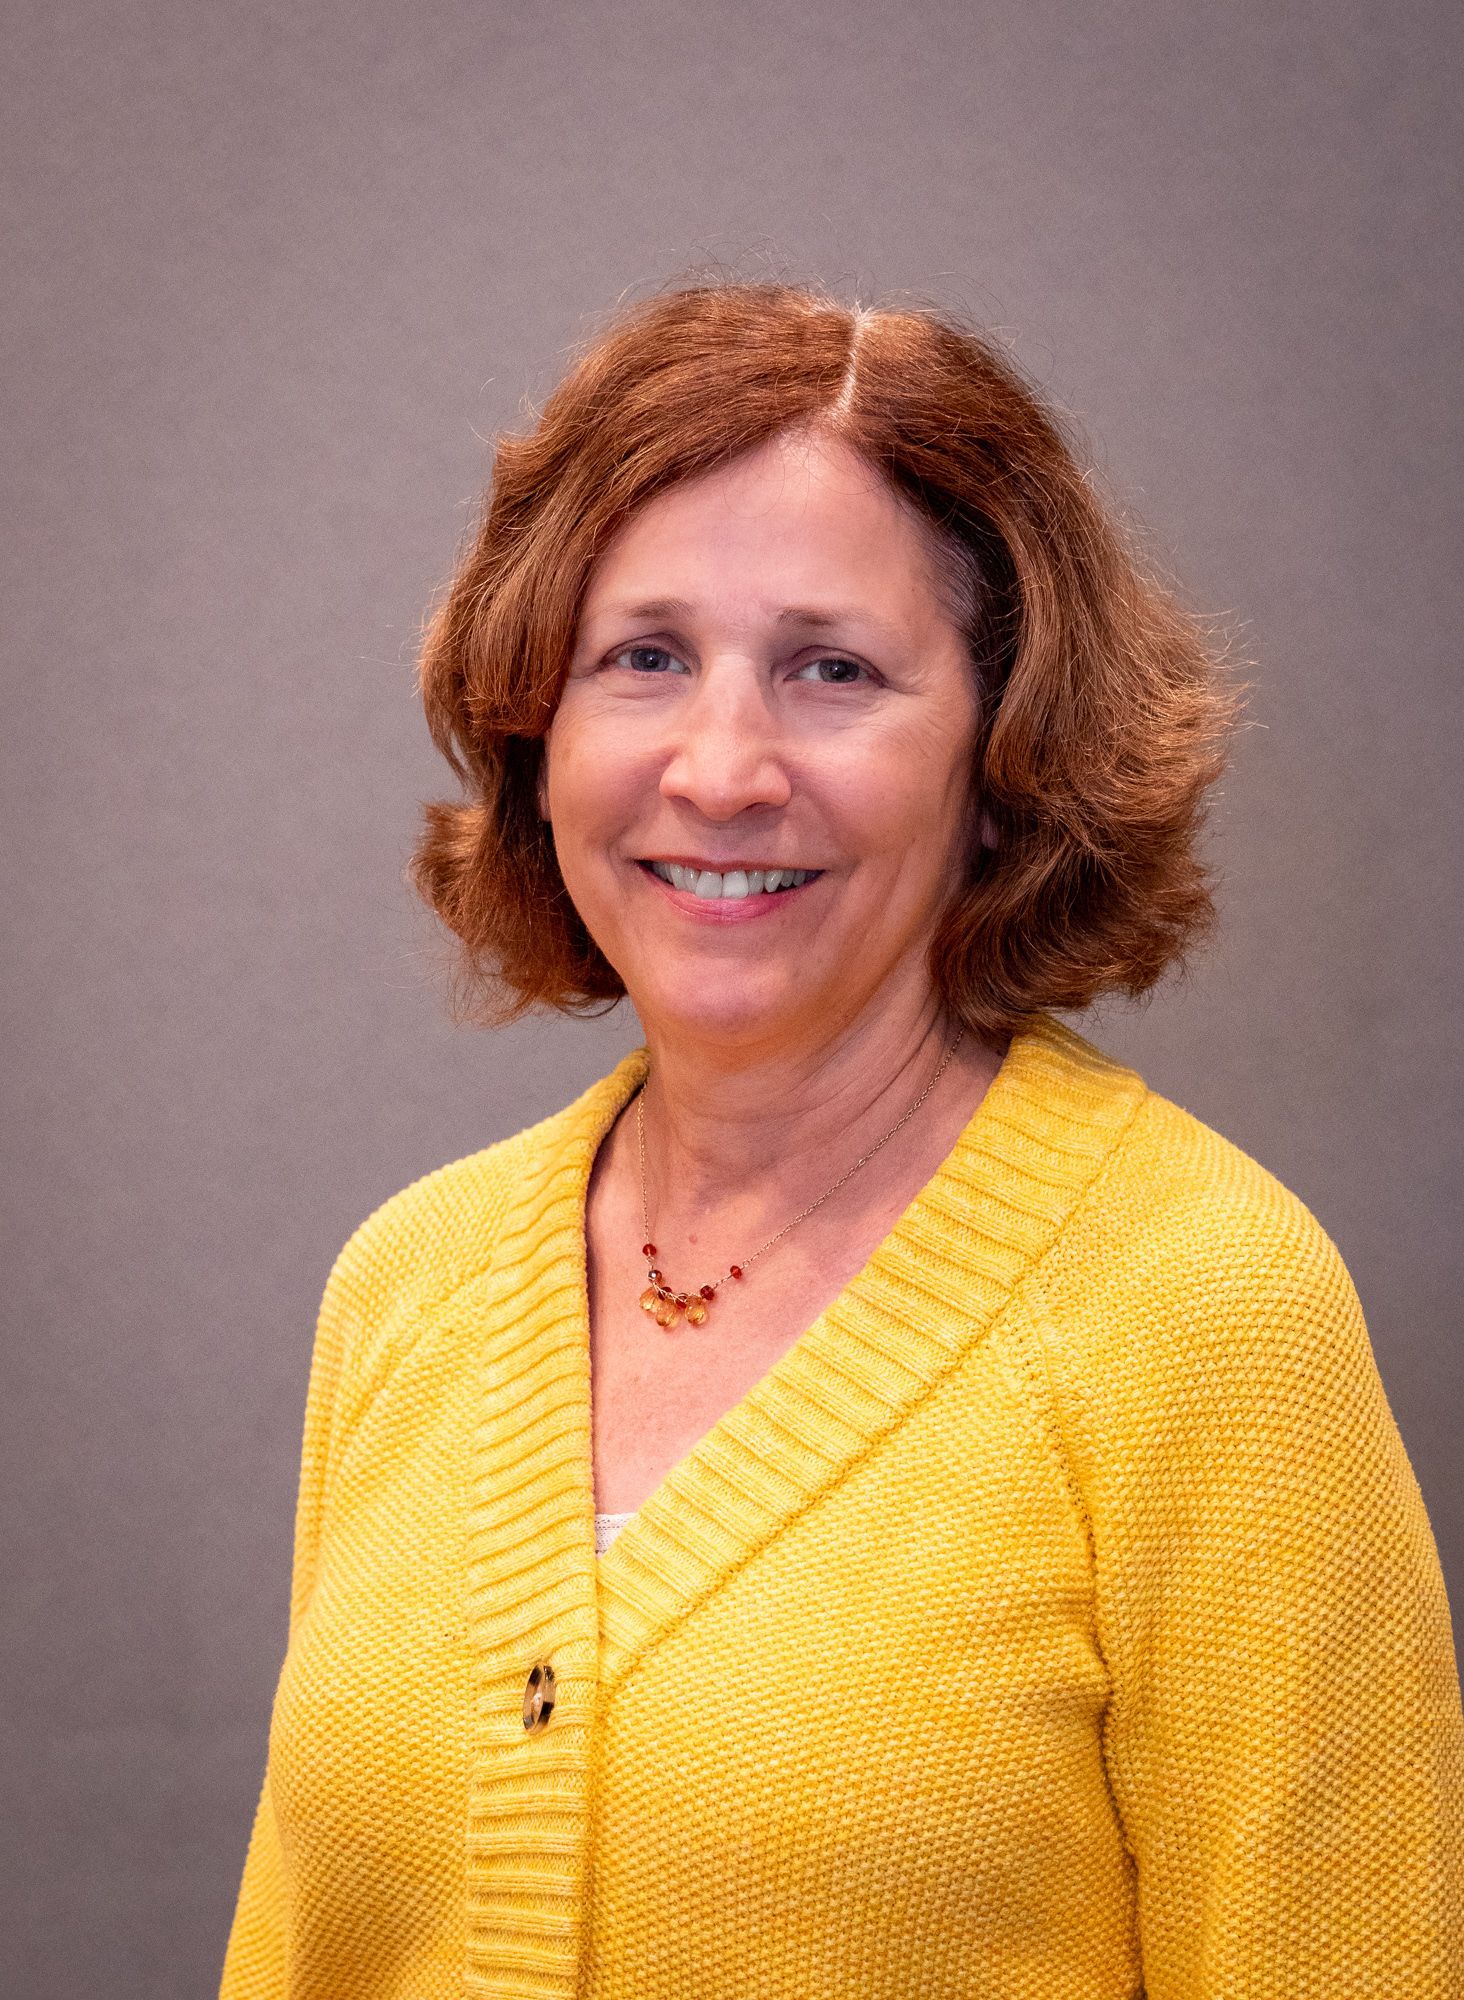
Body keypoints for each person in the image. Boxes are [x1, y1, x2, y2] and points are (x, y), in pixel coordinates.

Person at [220, 281, 1463, 1999]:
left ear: (1005, 753)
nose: (722, 767)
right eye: (643, 657)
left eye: (833, 671)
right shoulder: (408, 1284)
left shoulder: (1207, 1316)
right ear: (541, 728)